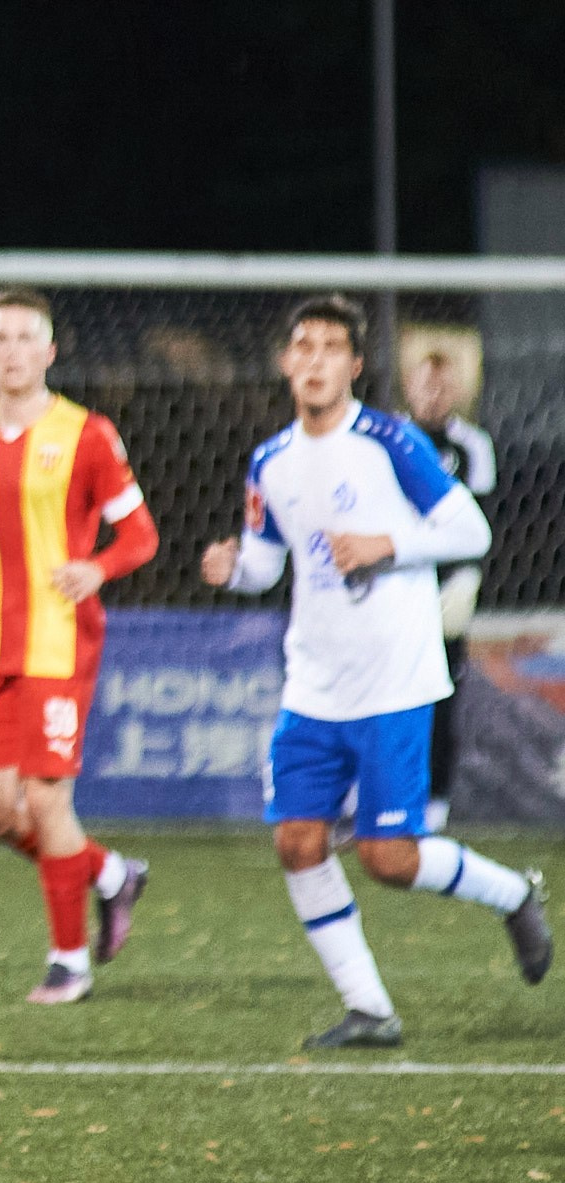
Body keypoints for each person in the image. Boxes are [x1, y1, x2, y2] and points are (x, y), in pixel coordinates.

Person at [201, 295, 551, 1049]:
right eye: (305, 345)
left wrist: (385, 543)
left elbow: (469, 527)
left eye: (333, 347)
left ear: (355, 366)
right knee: (297, 841)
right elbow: (266, 564)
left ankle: (513, 893)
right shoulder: (272, 460)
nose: (317, 358)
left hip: (393, 679)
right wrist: (232, 567)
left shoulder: (390, 441)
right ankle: (369, 1007)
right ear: (288, 362)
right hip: (313, 684)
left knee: (389, 857)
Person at [0, 289, 156, 1004]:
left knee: (46, 796)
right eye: (0, 337)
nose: (13, 348)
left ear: (49, 352)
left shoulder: (86, 434)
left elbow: (140, 536)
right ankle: (109, 873)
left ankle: (68, 960)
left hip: (58, 643)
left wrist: (97, 568)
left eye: (27, 336)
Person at [402, 349, 497, 834]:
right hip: (397, 581)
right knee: (386, 691)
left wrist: (467, 580)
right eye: (426, 383)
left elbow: (481, 520)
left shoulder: (473, 446)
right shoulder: (392, 436)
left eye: (443, 385)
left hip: (445, 588)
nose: (434, 394)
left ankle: (434, 805)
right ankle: (376, 796)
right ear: (409, 385)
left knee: (441, 693)